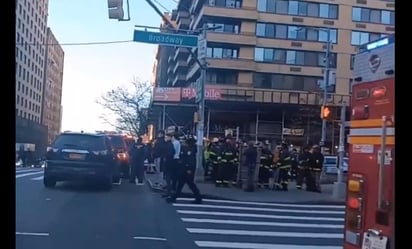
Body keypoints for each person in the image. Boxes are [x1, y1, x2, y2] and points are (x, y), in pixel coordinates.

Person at [167, 136, 202, 204]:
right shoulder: (188, 148)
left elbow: (190, 160)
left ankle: (198, 198)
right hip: (184, 169)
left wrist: (189, 169)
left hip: (188, 170)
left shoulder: (191, 150)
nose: (184, 143)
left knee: (190, 184)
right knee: (180, 184)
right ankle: (174, 197)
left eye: (185, 142)